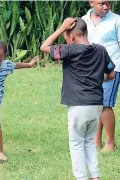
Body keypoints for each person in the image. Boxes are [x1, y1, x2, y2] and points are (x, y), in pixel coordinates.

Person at [40, 18, 115, 180]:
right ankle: (95, 176)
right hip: (96, 104)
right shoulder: (101, 50)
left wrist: (61, 28)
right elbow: (112, 74)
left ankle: (81, 178)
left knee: (76, 143)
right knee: (89, 141)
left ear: (71, 36)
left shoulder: (69, 50)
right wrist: (97, 80)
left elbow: (44, 47)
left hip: (78, 104)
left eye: (66, 36)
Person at [82, 0, 120, 152]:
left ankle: (110, 143)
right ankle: (95, 140)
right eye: (102, 3)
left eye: (109, 3)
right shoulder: (83, 21)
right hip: (91, 70)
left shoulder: (116, 20)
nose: (106, 7)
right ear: (91, 2)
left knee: (105, 104)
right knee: (95, 104)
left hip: (112, 68)